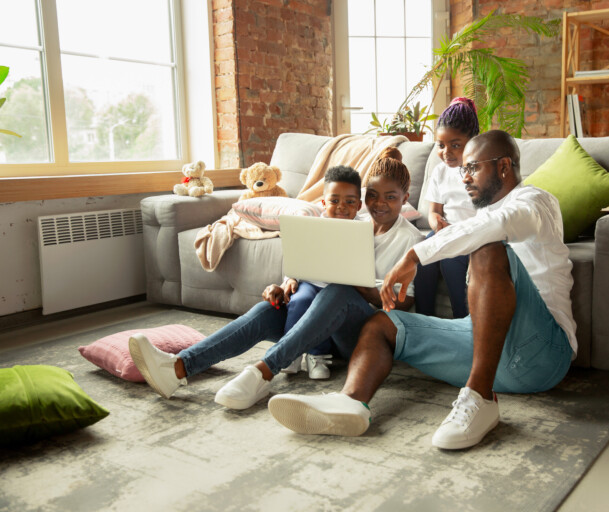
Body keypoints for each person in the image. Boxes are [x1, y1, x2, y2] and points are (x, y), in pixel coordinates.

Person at [267, 130, 578, 451]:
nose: (464, 178)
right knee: (383, 324)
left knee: (486, 248)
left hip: (542, 352)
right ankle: (351, 403)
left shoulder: (537, 202)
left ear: (502, 167)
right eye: (462, 170)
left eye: (472, 168)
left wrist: (414, 255)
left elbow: (499, 224)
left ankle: (481, 398)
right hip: (487, 350)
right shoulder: (484, 216)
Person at [129, 147, 423, 410]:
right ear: (363, 198)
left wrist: (355, 282)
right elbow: (309, 266)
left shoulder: (411, 240)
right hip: (318, 325)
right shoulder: (349, 221)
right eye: (372, 195)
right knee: (269, 310)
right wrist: (285, 286)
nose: (379, 204)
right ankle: (179, 368)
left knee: (340, 291)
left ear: (404, 199)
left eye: (390, 197)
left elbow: (405, 304)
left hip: (359, 337)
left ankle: (263, 372)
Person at [277, 166, 363, 379]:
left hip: (339, 289)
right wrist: (291, 278)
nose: (342, 207)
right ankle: (291, 352)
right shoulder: (313, 225)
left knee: (323, 309)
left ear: (359, 205)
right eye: (334, 201)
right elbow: (296, 255)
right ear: (324, 203)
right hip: (310, 281)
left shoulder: (362, 230)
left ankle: (317, 355)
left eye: (350, 202)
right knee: (300, 301)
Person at [414, 97, 479, 319]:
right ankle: (424, 319)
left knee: (451, 261)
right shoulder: (440, 172)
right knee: (422, 256)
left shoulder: (481, 170)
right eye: (441, 145)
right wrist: (435, 222)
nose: (446, 152)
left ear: (472, 142)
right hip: (446, 231)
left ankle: (462, 320)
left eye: (455, 145)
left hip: (474, 234)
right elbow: (434, 211)